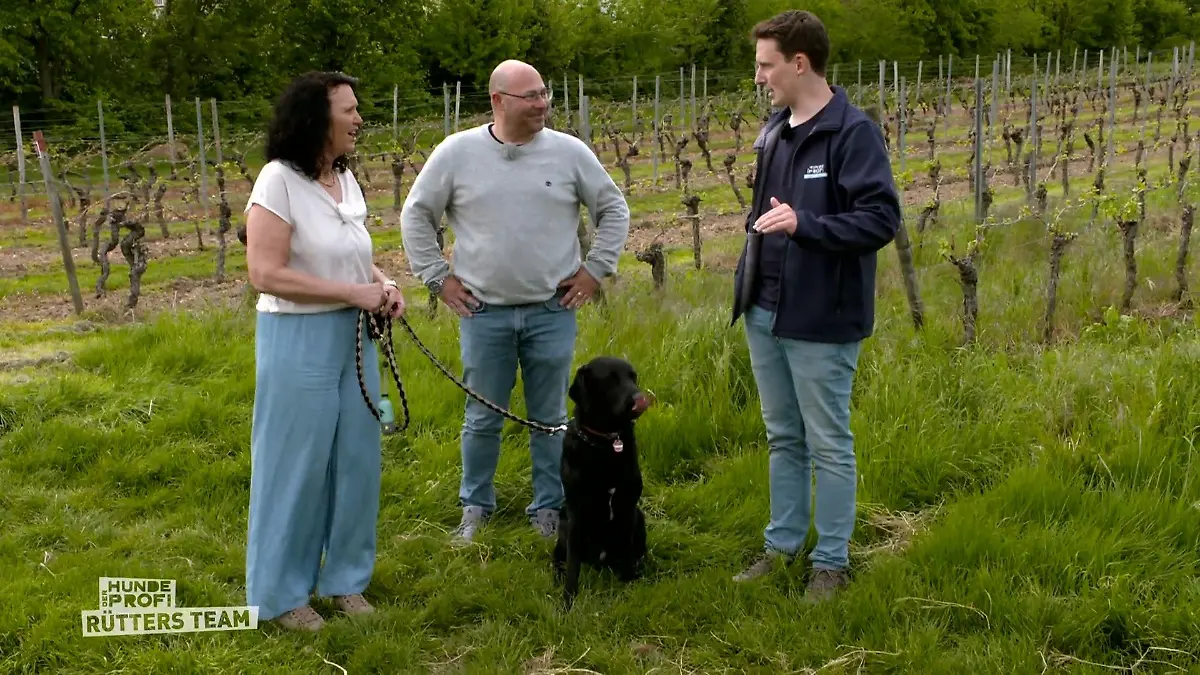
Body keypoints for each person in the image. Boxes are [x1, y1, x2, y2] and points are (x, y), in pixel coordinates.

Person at [400, 59, 630, 545]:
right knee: (482, 416)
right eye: (531, 96)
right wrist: (437, 278)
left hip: (552, 310)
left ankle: (548, 507)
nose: (543, 103)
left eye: (545, 93)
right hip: (483, 312)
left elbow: (613, 208)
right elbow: (416, 214)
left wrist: (595, 270)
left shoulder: (569, 154)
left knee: (550, 417)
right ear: (498, 101)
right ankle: (475, 506)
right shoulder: (456, 154)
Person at [729, 10, 901, 601]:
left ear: (799, 63)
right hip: (765, 308)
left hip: (822, 316)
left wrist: (807, 225)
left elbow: (881, 219)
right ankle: (781, 548)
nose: (759, 77)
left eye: (765, 65)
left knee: (827, 440)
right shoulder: (775, 130)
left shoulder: (853, 133)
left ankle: (831, 561)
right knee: (782, 436)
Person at [242, 71, 406, 631]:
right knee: (296, 466)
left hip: (356, 336)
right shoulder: (277, 182)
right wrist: (352, 292)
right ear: (316, 118)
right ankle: (280, 595)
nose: (359, 119)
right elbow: (265, 273)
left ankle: (346, 582)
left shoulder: (344, 179)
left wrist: (382, 285)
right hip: (298, 337)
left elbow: (352, 257)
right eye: (349, 110)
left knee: (358, 461)